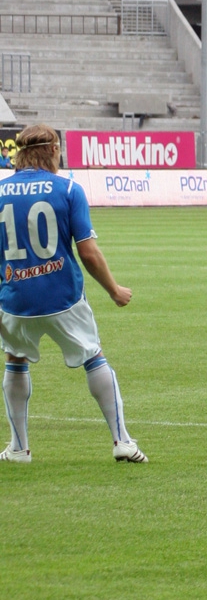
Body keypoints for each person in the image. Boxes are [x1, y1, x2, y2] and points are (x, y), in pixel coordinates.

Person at [0, 124, 147, 464]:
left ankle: (19, 448)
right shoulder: (68, 189)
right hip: (62, 296)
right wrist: (113, 289)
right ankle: (121, 440)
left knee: (15, 360)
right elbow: (89, 253)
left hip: (15, 299)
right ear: (53, 150)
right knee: (93, 357)